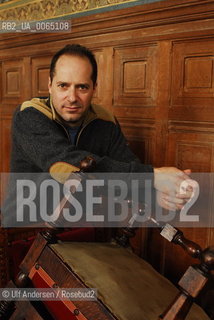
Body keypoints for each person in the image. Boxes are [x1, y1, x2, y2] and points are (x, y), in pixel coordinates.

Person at [9, 43, 192, 218]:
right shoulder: (29, 115)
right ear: (50, 85)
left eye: (82, 87)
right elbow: (65, 166)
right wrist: (153, 176)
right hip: (26, 227)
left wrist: (158, 195)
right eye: (63, 85)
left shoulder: (106, 121)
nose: (72, 97)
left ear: (94, 88)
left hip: (81, 225)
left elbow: (127, 166)